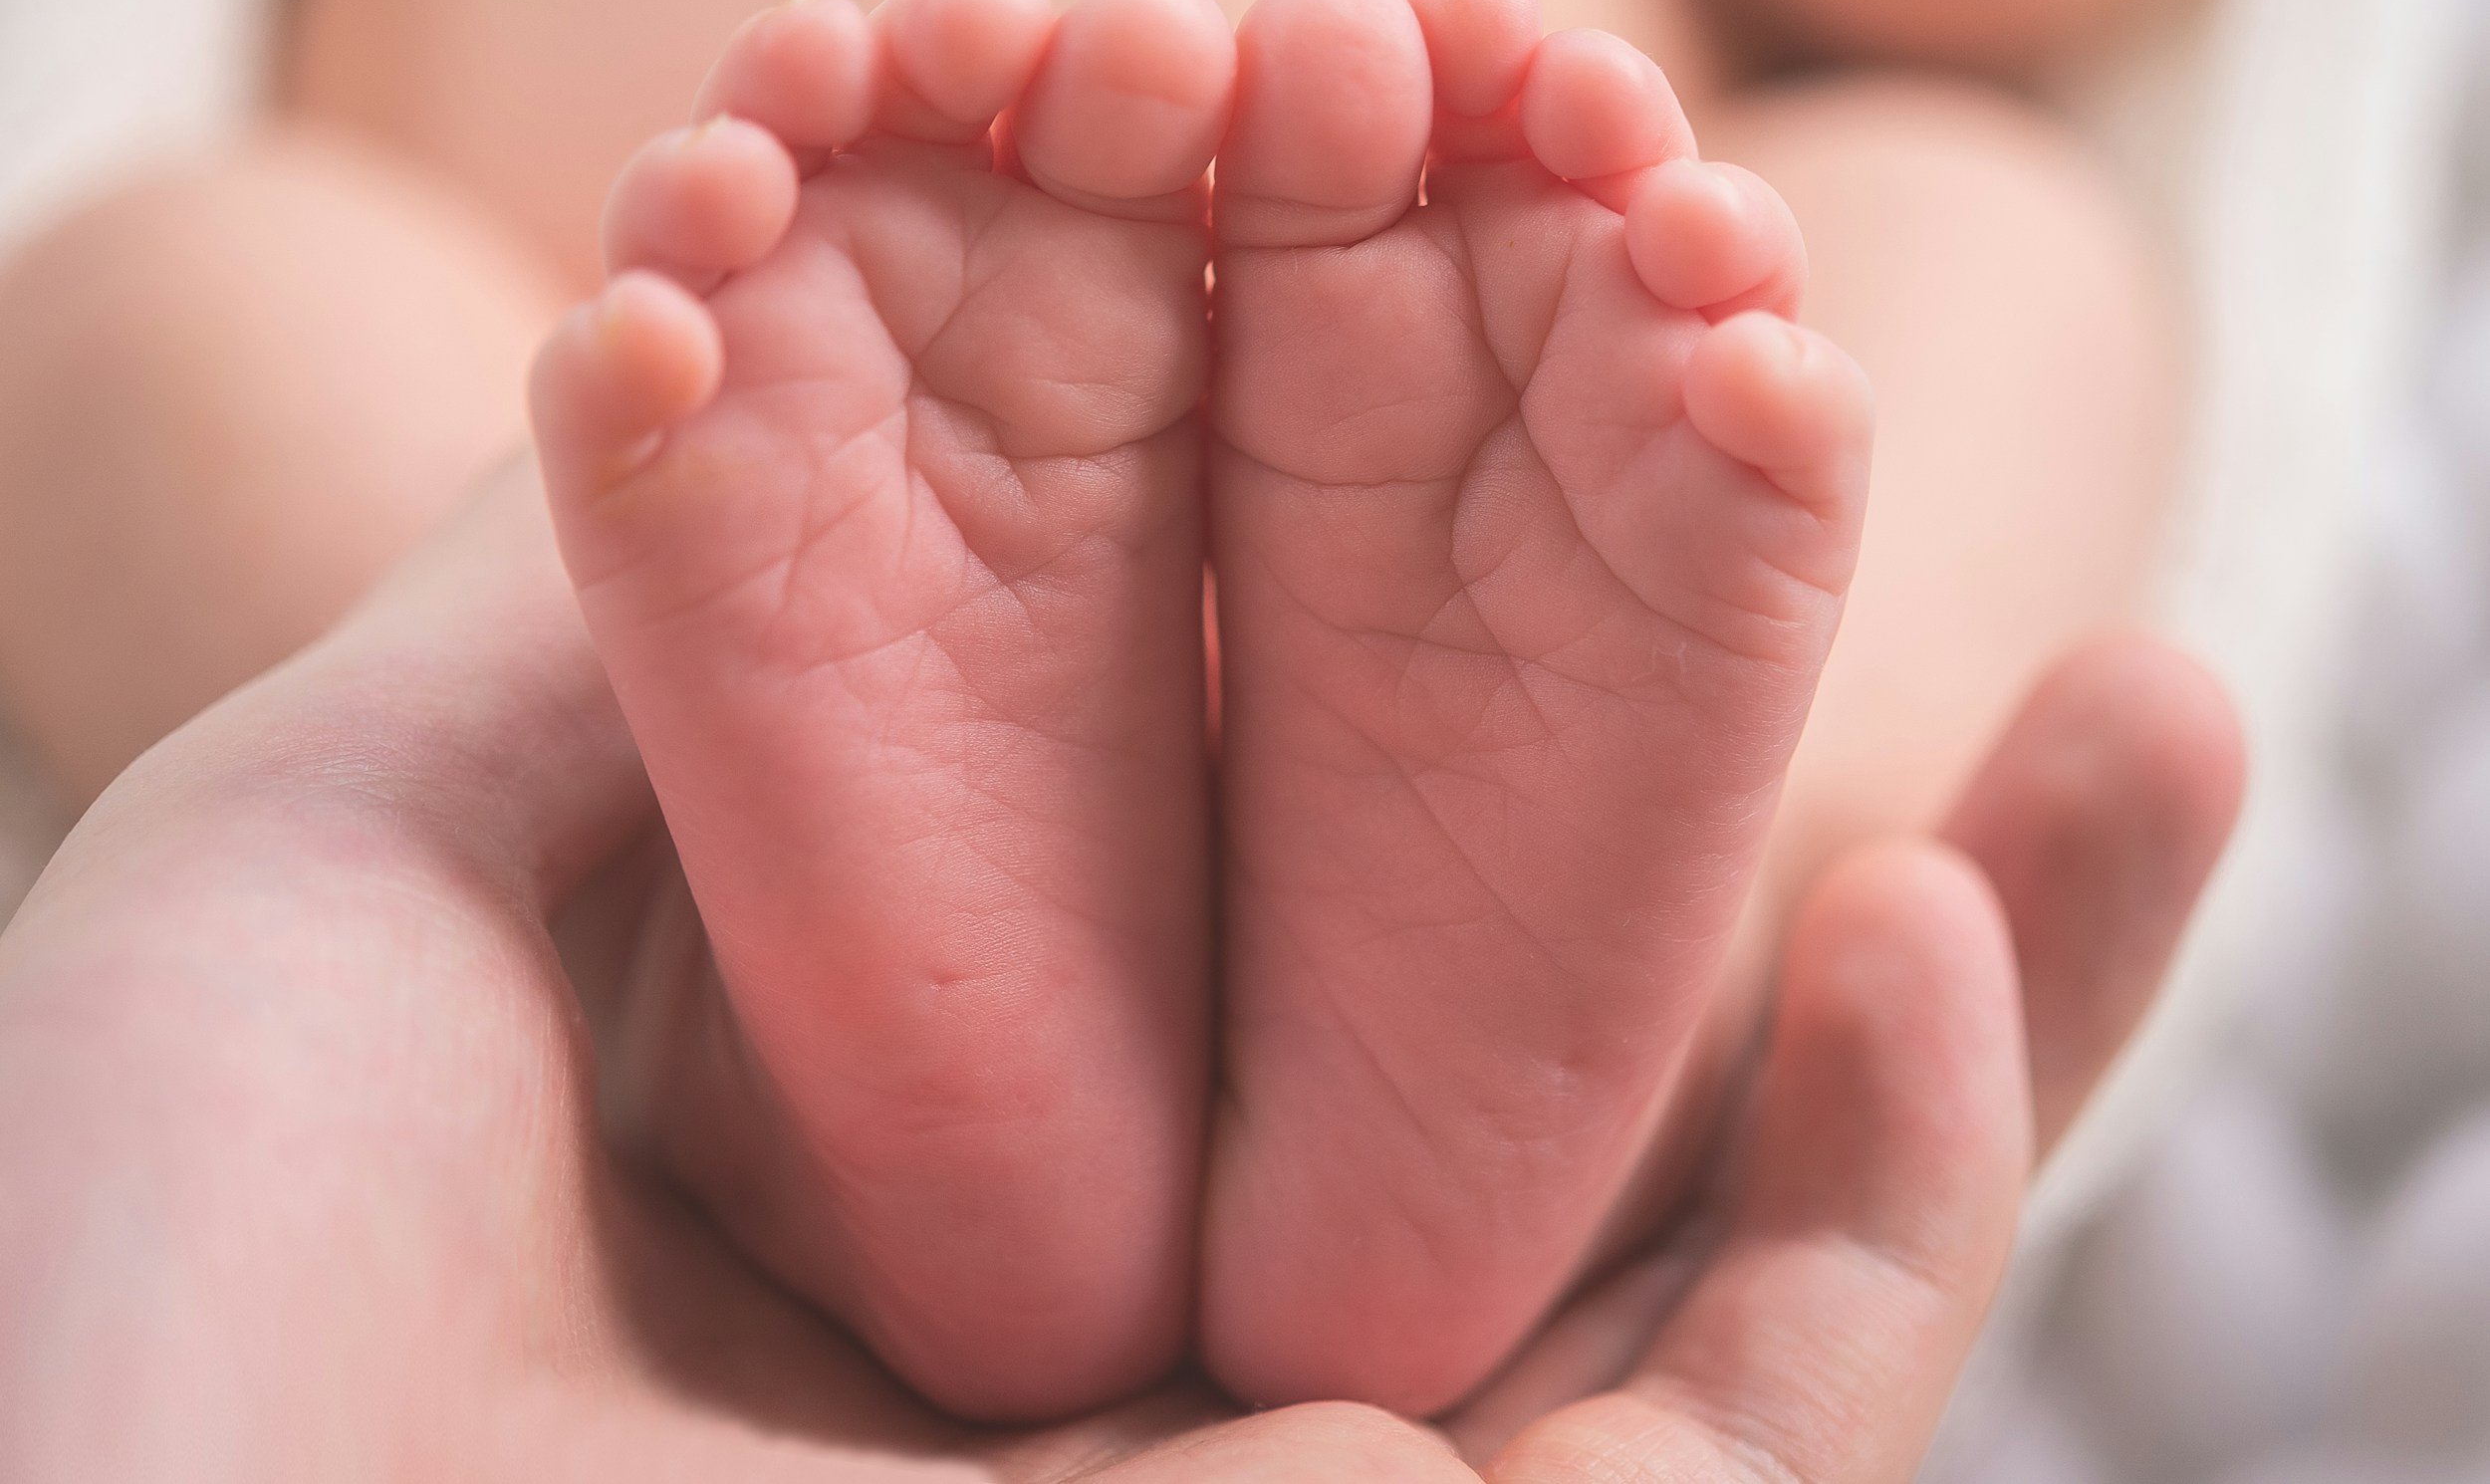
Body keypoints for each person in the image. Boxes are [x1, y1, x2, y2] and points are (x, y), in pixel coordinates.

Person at [0, 463, 2242, 1481]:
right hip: (759, 482)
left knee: (162, 293)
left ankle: (734, 992)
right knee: (1965, 237)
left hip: (784, 391)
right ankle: (1614, 1055)